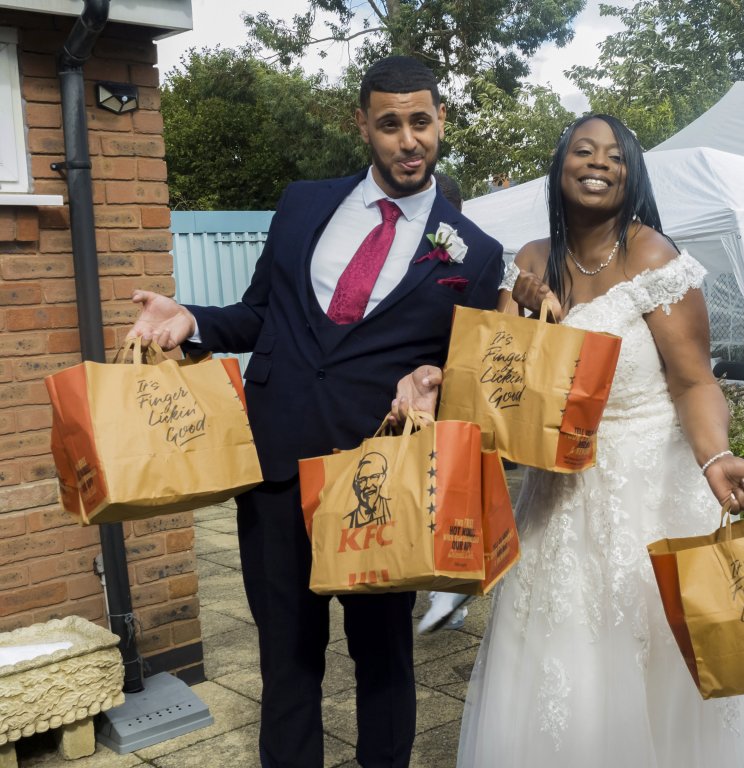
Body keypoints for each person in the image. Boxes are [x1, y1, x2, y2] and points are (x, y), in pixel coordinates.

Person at [128, 56, 503, 768]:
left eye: (420, 121)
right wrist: (192, 321)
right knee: (287, 661)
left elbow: (469, 378)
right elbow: (260, 313)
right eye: (389, 123)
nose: (406, 140)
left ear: (441, 121)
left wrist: (436, 379)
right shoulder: (304, 203)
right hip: (275, 468)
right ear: (363, 124)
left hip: (378, 482)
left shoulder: (475, 254)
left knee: (383, 661)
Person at [454, 114, 744, 766]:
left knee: (656, 669)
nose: (597, 163)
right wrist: (528, 314)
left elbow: (694, 382)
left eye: (614, 155)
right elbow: (500, 394)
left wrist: (715, 456)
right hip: (558, 502)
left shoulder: (654, 257)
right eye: (583, 151)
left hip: (651, 495)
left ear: (631, 174)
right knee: (558, 659)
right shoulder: (528, 262)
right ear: (561, 165)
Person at [416, 171, 472, 633]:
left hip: (451, 392)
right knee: (435, 493)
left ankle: (448, 587)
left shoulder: (471, 254)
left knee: (446, 491)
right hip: (418, 393)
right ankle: (443, 585)